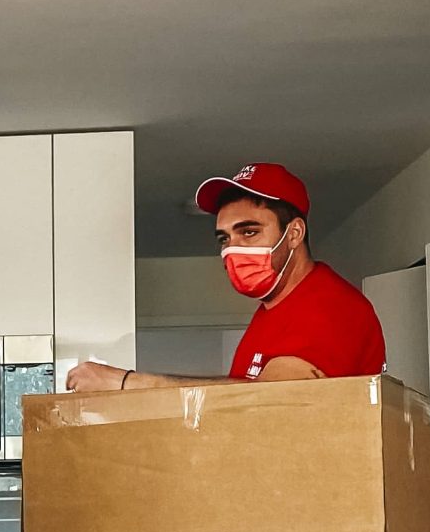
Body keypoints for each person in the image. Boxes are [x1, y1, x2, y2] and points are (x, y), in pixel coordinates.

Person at [65, 161, 385, 394]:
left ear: (294, 233)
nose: (233, 249)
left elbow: (270, 404)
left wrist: (125, 384)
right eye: (224, 238)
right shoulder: (275, 309)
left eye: (249, 231)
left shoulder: (327, 306)